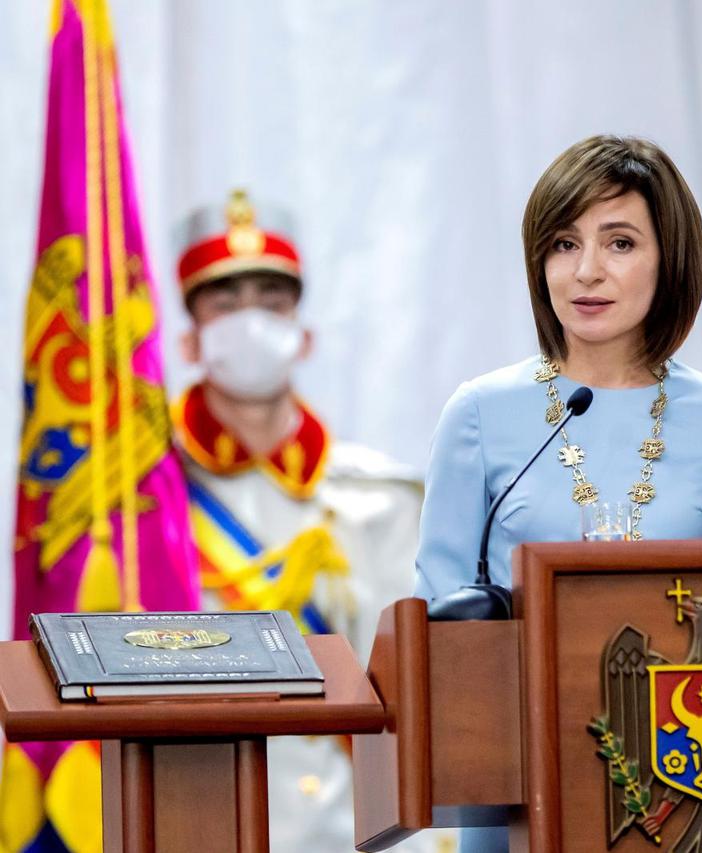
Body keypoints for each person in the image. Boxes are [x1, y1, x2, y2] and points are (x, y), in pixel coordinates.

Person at [415, 135, 702, 851]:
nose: (585, 271)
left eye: (618, 242)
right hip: (519, 788)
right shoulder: (480, 412)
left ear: (667, 257)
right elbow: (441, 621)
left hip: (690, 794)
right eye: (562, 243)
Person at [171, 189, 436, 852]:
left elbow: (410, 702)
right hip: (194, 814)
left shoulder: (379, 499)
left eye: (271, 298)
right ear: (190, 336)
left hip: (349, 828)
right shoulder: (151, 504)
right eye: (225, 303)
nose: (249, 318)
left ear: (303, 329)